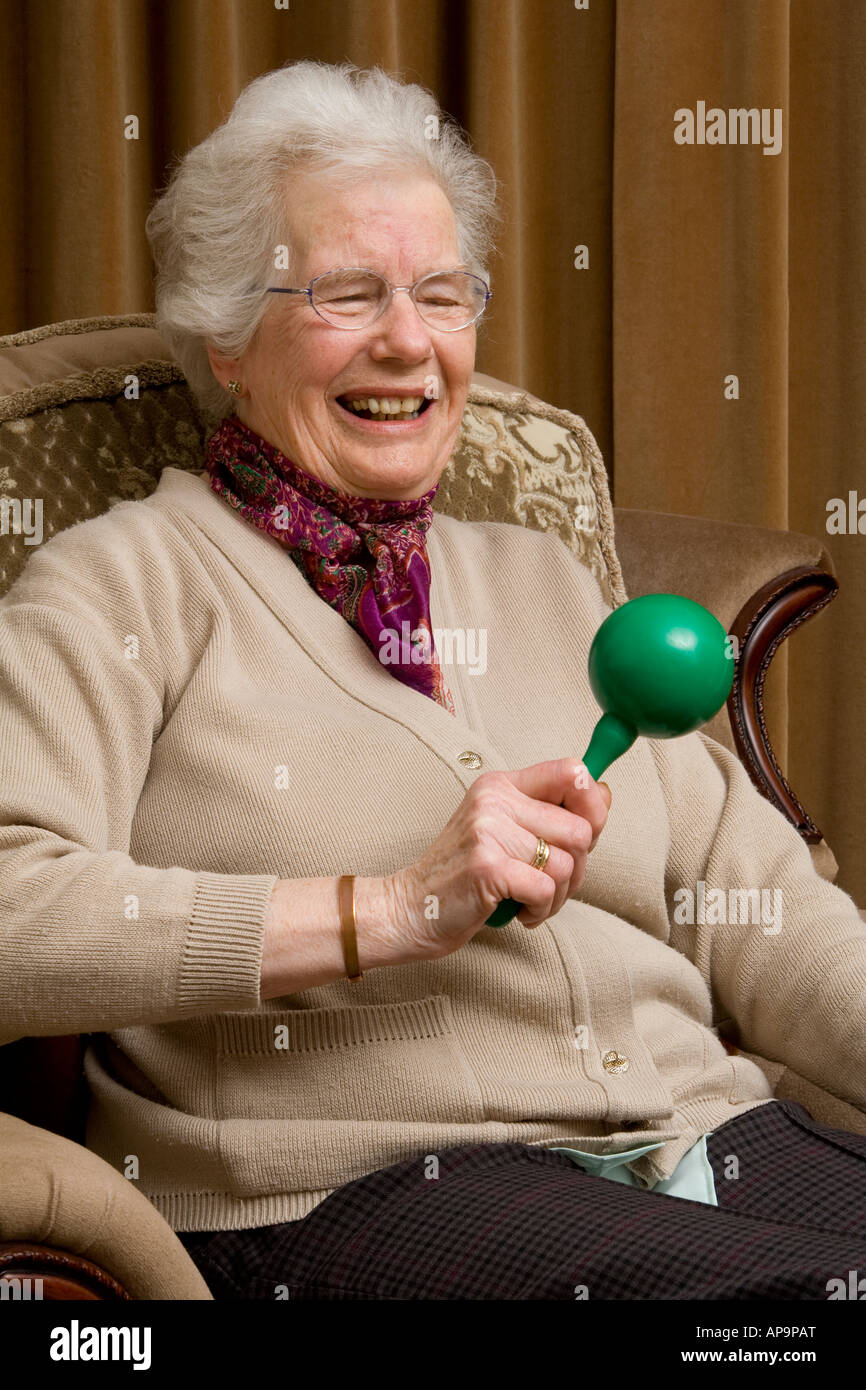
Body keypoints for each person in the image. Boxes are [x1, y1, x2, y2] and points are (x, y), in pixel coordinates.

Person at [1, 59, 865, 1302]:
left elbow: (766, 910)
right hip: (369, 1187)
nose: (409, 340)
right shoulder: (119, 588)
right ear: (229, 337)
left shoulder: (548, 582)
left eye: (442, 293)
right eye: (349, 293)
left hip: (707, 1145)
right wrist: (390, 910)